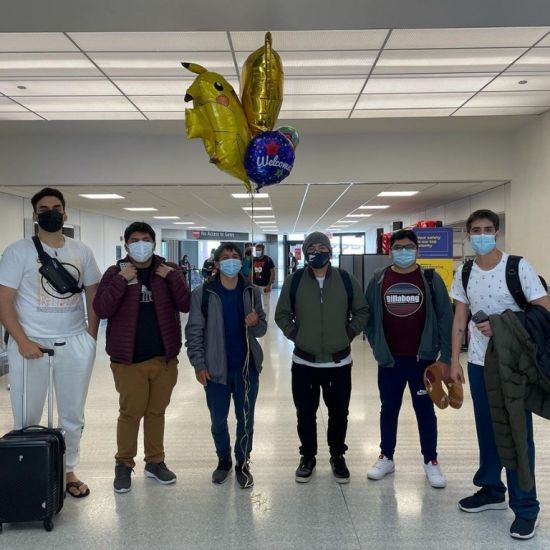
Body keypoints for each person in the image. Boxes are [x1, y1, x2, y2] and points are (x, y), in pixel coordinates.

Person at [449, 209, 550, 540]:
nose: (482, 235)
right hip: (479, 364)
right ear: (468, 235)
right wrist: (454, 360)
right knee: (488, 429)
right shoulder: (464, 272)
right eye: (476, 230)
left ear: (497, 232)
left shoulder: (517, 267)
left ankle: (526, 508)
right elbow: (460, 318)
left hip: (513, 364)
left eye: (488, 229)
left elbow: (544, 309)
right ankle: (492, 490)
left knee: (517, 432)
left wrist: (501, 324)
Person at [0, 187, 100, 498]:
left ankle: (69, 470)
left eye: (56, 207)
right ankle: (26, 471)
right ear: (35, 215)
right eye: (43, 209)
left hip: (74, 341)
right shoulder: (18, 251)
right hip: (31, 343)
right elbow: (4, 301)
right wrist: (22, 341)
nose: (51, 213)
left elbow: (94, 295)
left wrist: (91, 337)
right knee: (27, 413)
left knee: (72, 414)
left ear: (65, 213)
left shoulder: (81, 251)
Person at [93, 222, 190, 494]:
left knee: (156, 412)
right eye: (134, 240)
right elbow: (102, 308)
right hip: (128, 361)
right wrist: (122, 280)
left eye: (145, 239)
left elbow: (185, 304)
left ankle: (155, 462)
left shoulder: (168, 270)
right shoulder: (115, 272)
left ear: (154, 243)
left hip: (164, 358)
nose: (140, 244)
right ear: (126, 245)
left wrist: (172, 278)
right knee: (130, 413)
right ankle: (123, 464)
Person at [275, 232, 369, 483]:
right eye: (312, 248)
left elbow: (362, 311)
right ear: (305, 252)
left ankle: (337, 455)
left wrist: (347, 334)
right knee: (305, 413)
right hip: (304, 362)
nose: (317, 252)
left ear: (330, 251)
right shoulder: (294, 281)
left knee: (339, 413)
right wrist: (297, 336)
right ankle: (307, 456)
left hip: (339, 362)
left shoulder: (346, 279)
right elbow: (282, 314)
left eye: (322, 247)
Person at [364, 229, 452, 488]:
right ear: (390, 251)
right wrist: (377, 347)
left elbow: (445, 318)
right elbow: (368, 316)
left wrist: (446, 356)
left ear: (417, 250)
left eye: (409, 247)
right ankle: (386, 457)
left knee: (425, 410)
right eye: (398, 247)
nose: (403, 252)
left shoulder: (430, 279)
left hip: (422, 360)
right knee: (388, 408)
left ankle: (431, 460)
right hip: (390, 361)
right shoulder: (379, 279)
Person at [185, 242, 267, 489]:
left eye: (235, 256)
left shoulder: (251, 292)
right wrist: (198, 364)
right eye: (226, 257)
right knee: (218, 420)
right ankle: (224, 460)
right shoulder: (203, 293)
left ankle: (242, 461)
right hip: (215, 370)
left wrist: (255, 322)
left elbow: (262, 329)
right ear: (218, 263)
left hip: (246, 369)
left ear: (241, 262)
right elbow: (194, 332)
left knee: (246, 419)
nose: (231, 260)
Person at [252, 243, 275, 308]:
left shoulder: (268, 259)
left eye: (259, 250)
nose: (257, 251)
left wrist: (269, 285)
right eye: (256, 250)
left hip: (265, 285)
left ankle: (266, 315)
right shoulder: (254, 260)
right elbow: (251, 271)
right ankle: (257, 314)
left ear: (263, 251)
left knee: (266, 304)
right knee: (255, 303)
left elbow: (272, 273)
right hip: (256, 285)